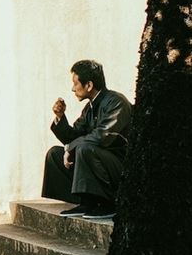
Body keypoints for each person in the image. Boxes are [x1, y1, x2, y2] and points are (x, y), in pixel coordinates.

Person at [40, 59, 132, 220]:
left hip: (120, 168)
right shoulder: (89, 108)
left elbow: (102, 137)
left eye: (75, 83)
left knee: (85, 148)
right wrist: (60, 117)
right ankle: (87, 201)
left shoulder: (117, 102)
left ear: (89, 85)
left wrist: (71, 148)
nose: (72, 88)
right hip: (96, 160)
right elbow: (73, 136)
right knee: (54, 154)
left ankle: (108, 203)